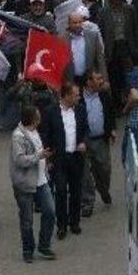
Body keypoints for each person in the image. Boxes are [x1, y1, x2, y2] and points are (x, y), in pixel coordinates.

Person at [41, 82, 88, 239]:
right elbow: (46, 135)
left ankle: (74, 222)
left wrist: (84, 142)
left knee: (76, 191)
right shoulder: (50, 112)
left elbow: (86, 129)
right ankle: (61, 225)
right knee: (60, 191)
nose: (78, 97)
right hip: (59, 158)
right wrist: (48, 158)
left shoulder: (81, 110)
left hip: (76, 157)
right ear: (66, 96)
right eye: (75, 94)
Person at [10, 104, 56, 262]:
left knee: (50, 211)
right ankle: (28, 250)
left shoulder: (35, 131)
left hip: (41, 180)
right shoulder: (18, 137)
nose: (41, 117)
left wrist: (46, 162)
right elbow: (20, 160)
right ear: (33, 119)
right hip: (25, 183)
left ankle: (44, 245)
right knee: (27, 219)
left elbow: (40, 151)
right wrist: (39, 156)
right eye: (38, 115)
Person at [98, 0, 138, 110]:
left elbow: (135, 29)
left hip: (126, 47)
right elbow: (101, 32)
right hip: (112, 48)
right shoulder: (103, 12)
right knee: (114, 77)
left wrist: (136, 48)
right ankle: (118, 104)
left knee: (129, 75)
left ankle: (131, 101)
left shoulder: (130, 9)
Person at [81, 70, 116, 217]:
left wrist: (112, 129)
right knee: (85, 174)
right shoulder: (79, 98)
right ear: (88, 82)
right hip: (84, 141)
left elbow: (110, 112)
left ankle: (103, 190)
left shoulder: (104, 96)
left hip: (101, 140)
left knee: (104, 170)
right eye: (97, 78)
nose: (101, 81)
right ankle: (87, 203)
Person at [61, 11, 108, 86]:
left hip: (90, 79)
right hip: (71, 81)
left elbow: (100, 59)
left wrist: (105, 79)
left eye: (80, 22)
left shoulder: (92, 36)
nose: (78, 25)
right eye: (75, 23)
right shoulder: (62, 39)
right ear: (69, 24)